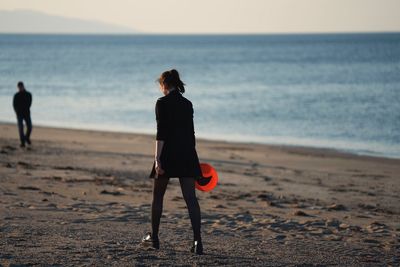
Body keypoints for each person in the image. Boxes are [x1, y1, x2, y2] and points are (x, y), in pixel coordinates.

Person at [141, 69, 204, 255]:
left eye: (160, 85)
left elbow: (161, 134)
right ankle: (197, 242)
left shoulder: (161, 103)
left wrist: (157, 159)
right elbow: (191, 135)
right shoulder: (187, 104)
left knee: (158, 197)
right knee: (191, 199)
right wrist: (195, 163)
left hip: (168, 154)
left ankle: (154, 238)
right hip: (186, 154)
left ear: (164, 85)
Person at [13, 81, 33, 148]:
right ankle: (22, 142)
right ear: (18, 87)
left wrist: (26, 108)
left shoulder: (28, 94)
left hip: (27, 113)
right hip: (19, 114)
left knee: (29, 127)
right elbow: (14, 105)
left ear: (23, 86)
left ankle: (27, 138)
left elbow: (30, 103)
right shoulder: (16, 95)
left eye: (21, 87)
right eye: (19, 87)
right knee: (20, 128)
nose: (20, 88)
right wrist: (17, 111)